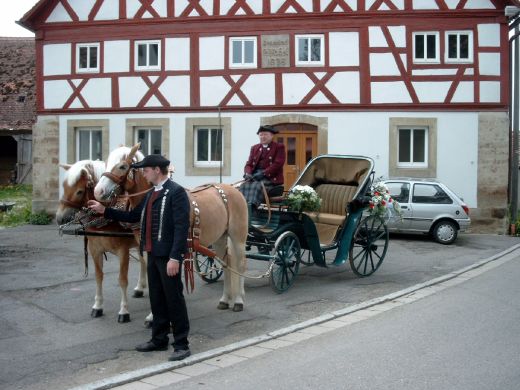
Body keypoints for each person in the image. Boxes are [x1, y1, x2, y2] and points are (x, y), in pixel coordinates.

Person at [87, 154, 191, 362]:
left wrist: (175, 258)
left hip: (168, 256)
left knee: (174, 299)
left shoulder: (176, 192)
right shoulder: (152, 193)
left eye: (146, 169)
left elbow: (181, 228)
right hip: (151, 253)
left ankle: (181, 344)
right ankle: (159, 339)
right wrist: (104, 210)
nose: (143, 173)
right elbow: (133, 217)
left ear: (157, 170)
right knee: (156, 298)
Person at [240, 125, 285, 207]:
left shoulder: (279, 147)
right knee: (243, 185)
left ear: (271, 135)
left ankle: (252, 208)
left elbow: (278, 164)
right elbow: (249, 164)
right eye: (261, 135)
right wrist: (248, 174)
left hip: (270, 178)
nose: (262, 137)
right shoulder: (254, 148)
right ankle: (243, 206)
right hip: (255, 176)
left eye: (265, 134)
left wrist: (264, 173)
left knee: (257, 186)